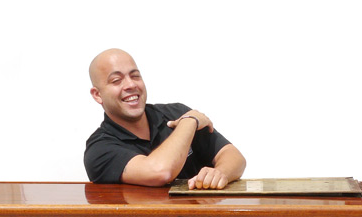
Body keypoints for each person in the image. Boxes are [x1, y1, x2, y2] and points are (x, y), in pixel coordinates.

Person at [84, 49, 246, 189]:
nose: (130, 85)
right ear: (97, 95)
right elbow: (160, 172)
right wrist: (189, 121)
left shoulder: (176, 112)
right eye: (116, 80)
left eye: (135, 76)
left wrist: (220, 173)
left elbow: (234, 156)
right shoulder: (99, 149)